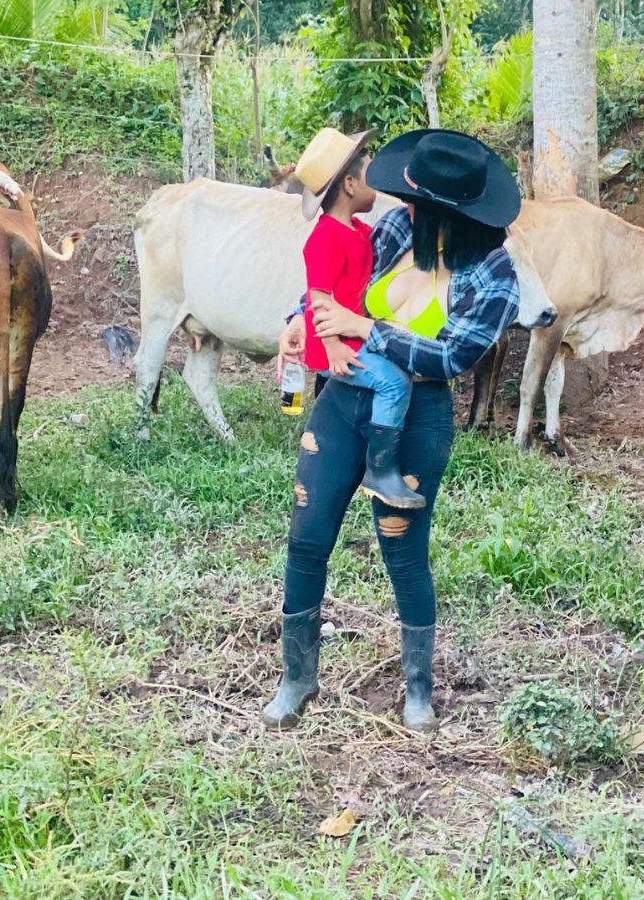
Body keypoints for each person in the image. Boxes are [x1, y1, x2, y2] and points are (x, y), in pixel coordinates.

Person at [262, 129, 523, 733]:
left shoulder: (494, 274)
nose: (403, 209)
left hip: (417, 418)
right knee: (306, 536)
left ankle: (418, 688)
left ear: (451, 214)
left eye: (417, 203)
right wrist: (298, 322)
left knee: (403, 551)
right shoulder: (399, 231)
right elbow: (337, 282)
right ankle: (297, 678)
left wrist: (366, 328)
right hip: (342, 402)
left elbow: (450, 357)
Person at [295, 127, 424, 509]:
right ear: (350, 185)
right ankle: (380, 470)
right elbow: (318, 298)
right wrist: (332, 348)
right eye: (369, 173)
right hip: (336, 346)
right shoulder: (326, 239)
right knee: (393, 384)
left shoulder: (359, 231)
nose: (376, 183)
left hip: (355, 336)